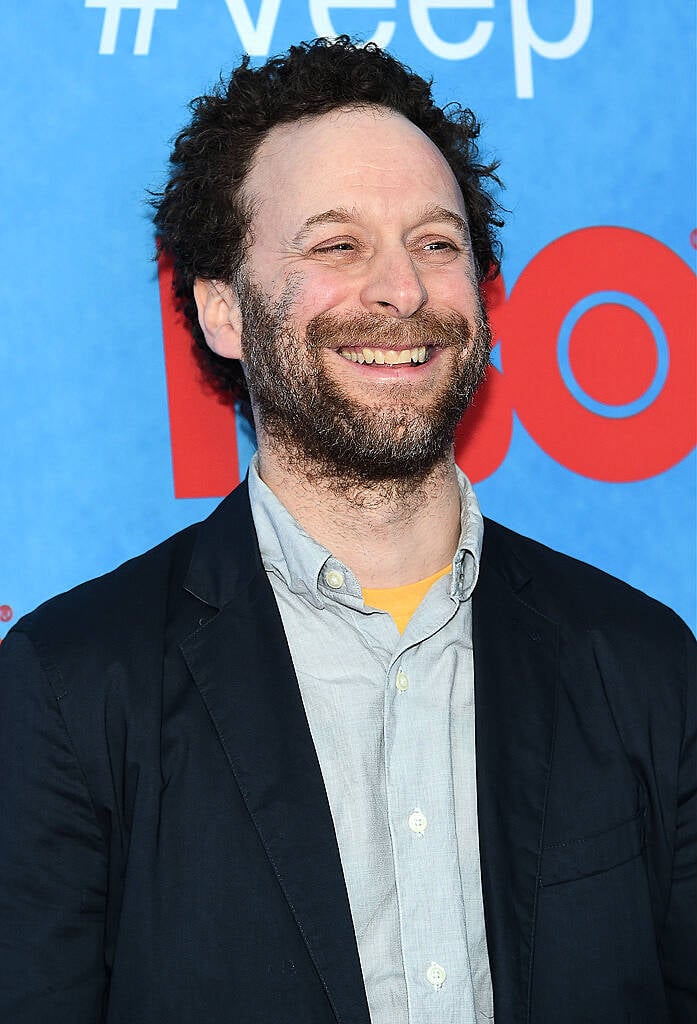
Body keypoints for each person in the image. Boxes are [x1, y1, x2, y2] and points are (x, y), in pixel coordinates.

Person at [0, 36, 694, 1024]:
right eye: (336, 245)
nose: (401, 290)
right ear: (223, 311)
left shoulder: (646, 666)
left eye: (435, 243)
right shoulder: (74, 688)